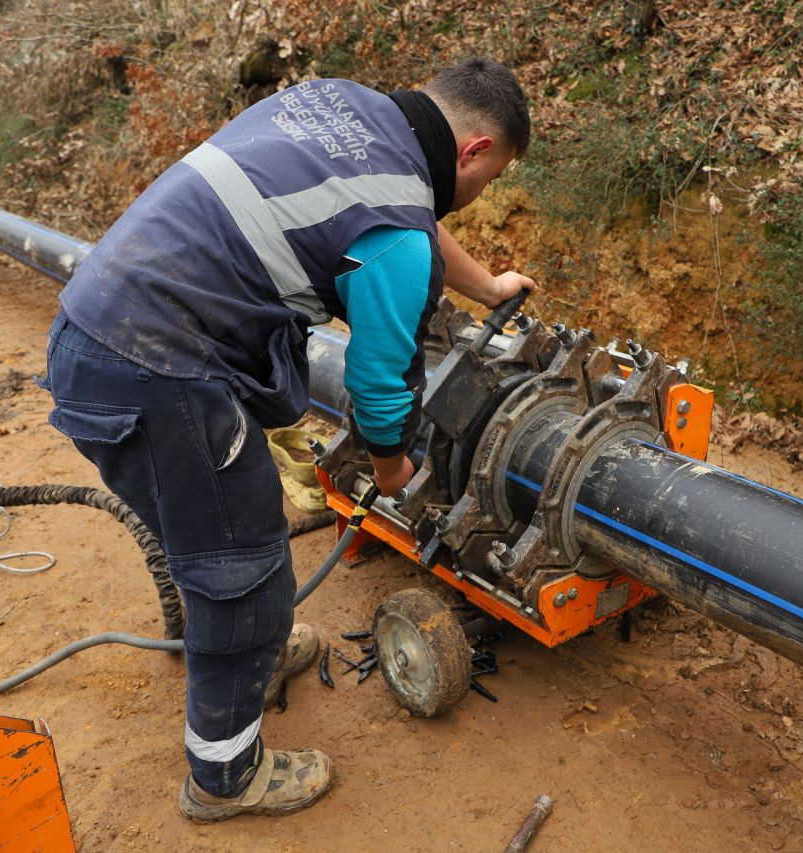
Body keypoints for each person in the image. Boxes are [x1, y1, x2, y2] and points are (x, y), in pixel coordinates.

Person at [41, 56, 535, 821]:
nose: (480, 193)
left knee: (232, 529)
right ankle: (225, 776)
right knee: (237, 564)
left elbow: (409, 218)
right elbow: (376, 384)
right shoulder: (398, 225)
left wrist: (490, 286)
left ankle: (259, 654)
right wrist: (395, 469)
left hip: (98, 330)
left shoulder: (341, 105)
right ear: (471, 151)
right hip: (159, 368)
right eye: (491, 177)